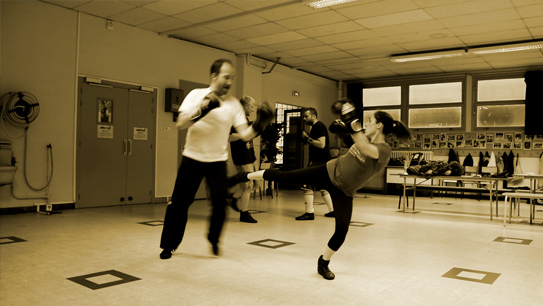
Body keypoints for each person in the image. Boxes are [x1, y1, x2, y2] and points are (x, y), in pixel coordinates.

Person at [229, 101, 410, 280]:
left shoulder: (383, 150)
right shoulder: (364, 140)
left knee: (341, 231)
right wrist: (342, 131)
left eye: (370, 120)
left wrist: (351, 120)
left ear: (379, 125)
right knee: (287, 176)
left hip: (344, 191)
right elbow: (354, 143)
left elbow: (363, 147)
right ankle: (245, 177)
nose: (367, 123)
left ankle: (323, 262)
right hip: (327, 171)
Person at [159, 59, 274, 259]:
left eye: (232, 78)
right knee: (179, 204)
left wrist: (260, 124)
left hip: (217, 161)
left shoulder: (234, 105)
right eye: (226, 77)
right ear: (214, 77)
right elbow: (181, 123)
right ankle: (169, 245)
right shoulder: (196, 95)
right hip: (192, 158)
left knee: (220, 203)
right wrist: (204, 109)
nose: (230, 82)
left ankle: (213, 238)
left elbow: (245, 135)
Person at [296, 107, 334, 220]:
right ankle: (333, 211)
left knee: (306, 184)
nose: (304, 118)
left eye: (306, 116)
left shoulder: (318, 126)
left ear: (314, 116)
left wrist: (308, 138)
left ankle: (309, 212)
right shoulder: (315, 127)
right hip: (323, 160)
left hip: (318, 160)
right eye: (303, 116)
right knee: (324, 187)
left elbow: (321, 144)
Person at [228, 96, 259, 223]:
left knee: (255, 184)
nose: (252, 109)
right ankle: (244, 213)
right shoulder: (235, 119)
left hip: (250, 156)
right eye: (251, 106)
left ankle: (233, 197)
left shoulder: (244, 119)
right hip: (242, 157)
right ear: (245, 106)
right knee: (248, 185)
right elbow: (229, 137)